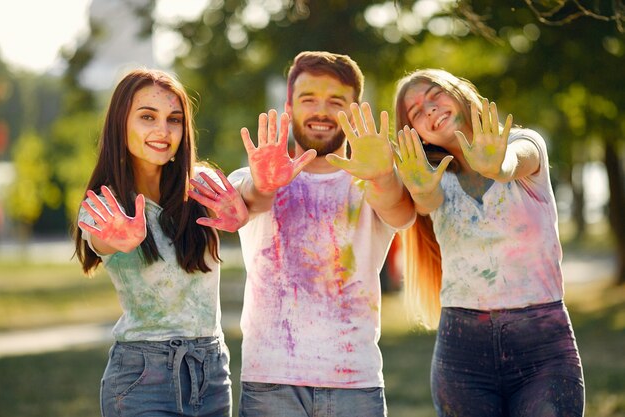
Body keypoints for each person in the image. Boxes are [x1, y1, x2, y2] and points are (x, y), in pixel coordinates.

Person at [228, 51, 415, 417]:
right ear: (288, 106)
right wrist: (262, 185)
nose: (321, 111)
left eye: (336, 102)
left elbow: (400, 211)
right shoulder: (251, 179)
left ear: (356, 109)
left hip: (355, 384)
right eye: (308, 99)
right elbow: (246, 202)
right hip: (270, 383)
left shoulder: (374, 184)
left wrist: (382, 176)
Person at [391, 68, 585, 417]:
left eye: (435, 96)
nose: (430, 109)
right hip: (461, 356)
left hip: (544, 348)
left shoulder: (522, 143)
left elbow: (513, 163)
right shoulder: (431, 179)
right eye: (417, 111)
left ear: (460, 92)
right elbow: (426, 202)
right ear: (415, 133)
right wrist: (419, 189)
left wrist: (498, 165)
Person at [73, 68, 248, 417]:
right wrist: (113, 240)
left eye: (175, 119)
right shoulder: (106, 205)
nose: (163, 131)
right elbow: (98, 239)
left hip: (211, 374)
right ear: (120, 123)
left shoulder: (201, 184)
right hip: (142, 379)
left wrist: (251, 203)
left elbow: (250, 196)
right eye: (147, 117)